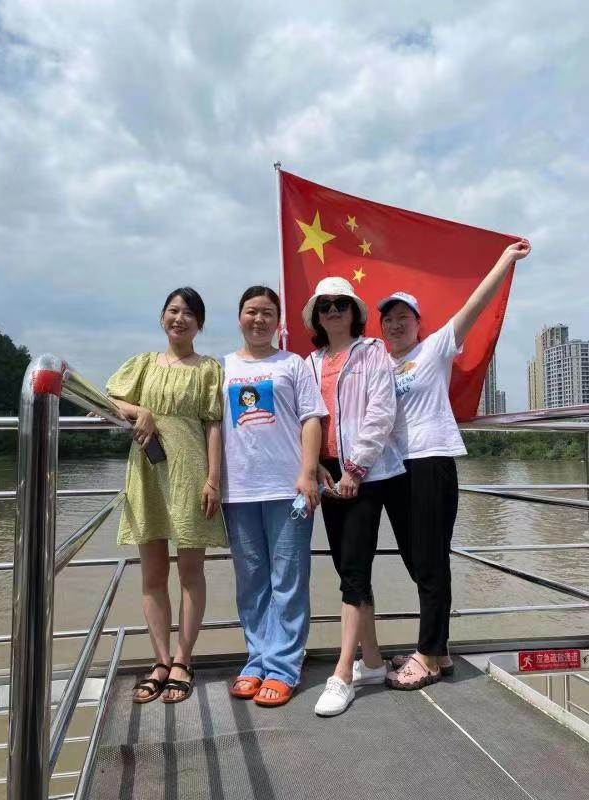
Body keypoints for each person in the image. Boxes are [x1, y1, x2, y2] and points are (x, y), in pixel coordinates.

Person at [380, 239, 532, 690]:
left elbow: (474, 305)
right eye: (388, 319)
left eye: (404, 317)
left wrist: (505, 260)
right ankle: (440, 649)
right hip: (395, 469)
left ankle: (427, 656)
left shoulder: (434, 348)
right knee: (416, 561)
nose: (396, 324)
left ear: (418, 324)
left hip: (431, 461)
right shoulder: (379, 363)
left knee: (430, 561)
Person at [106, 287, 227, 704]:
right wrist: (140, 411)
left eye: (189, 313)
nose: (180, 318)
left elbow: (214, 425)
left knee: (191, 572)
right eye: (173, 311)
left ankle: (183, 660)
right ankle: (160, 660)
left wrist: (213, 480)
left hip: (191, 473)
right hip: (147, 472)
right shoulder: (142, 364)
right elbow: (109, 400)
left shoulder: (208, 368)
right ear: (162, 317)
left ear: (200, 324)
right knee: (152, 574)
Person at [302, 277, 404, 717]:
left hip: (366, 476)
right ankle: (374, 662)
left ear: (354, 312)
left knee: (355, 570)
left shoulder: (372, 351)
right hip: (328, 475)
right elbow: (304, 416)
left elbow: (381, 411)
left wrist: (356, 468)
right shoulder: (309, 362)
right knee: (348, 568)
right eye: (325, 305)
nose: (332, 310)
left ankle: (343, 674)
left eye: (340, 304)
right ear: (316, 315)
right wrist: (315, 466)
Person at [222, 286, 327, 707]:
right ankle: (257, 660)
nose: (259, 319)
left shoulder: (293, 364)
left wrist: (308, 473)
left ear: (278, 321)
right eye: (252, 311)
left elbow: (312, 418)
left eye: (268, 312)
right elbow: (208, 423)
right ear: (239, 317)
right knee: (251, 581)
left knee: (288, 579)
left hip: (288, 488)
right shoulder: (222, 367)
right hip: (238, 488)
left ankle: (283, 666)